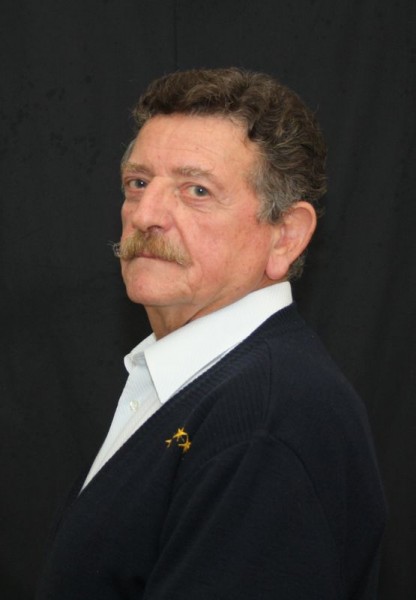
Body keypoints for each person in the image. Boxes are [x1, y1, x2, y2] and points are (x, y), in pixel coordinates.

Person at [36, 68, 386, 599]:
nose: (146, 215)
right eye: (138, 183)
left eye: (197, 190)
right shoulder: (195, 381)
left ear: (285, 236)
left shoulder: (268, 422)